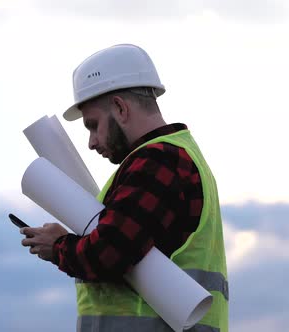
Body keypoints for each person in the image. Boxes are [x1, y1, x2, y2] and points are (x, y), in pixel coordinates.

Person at [20, 44, 228, 332]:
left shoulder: (158, 161)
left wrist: (58, 247)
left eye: (93, 125)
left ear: (120, 107)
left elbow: (110, 252)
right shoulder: (175, 155)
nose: (91, 142)